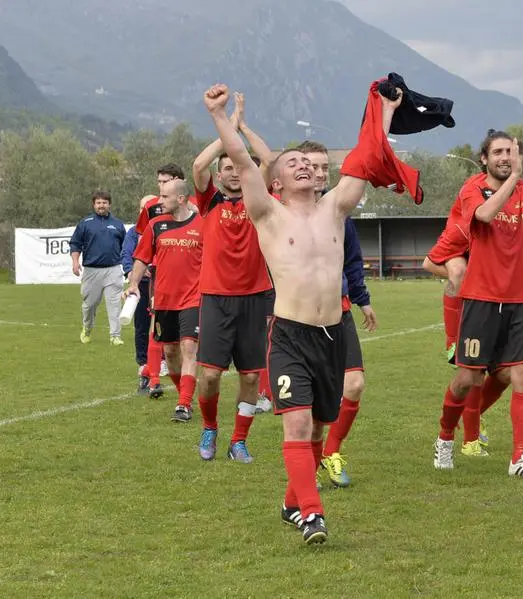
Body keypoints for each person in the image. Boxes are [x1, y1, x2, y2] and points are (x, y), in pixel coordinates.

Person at [204, 80, 404, 544]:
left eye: (308, 164)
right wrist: (218, 115)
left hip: (333, 335)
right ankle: (312, 514)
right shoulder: (268, 213)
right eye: (292, 162)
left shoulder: (335, 209)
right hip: (290, 334)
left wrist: (386, 111)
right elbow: (239, 160)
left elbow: (367, 154)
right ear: (275, 181)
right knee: (295, 421)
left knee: (316, 427)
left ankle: (292, 502)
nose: (304, 167)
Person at [429, 131, 523, 481]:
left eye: (511, 152)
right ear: (485, 158)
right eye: (498, 152)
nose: (505, 157)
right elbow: (483, 215)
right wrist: (513, 179)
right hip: (481, 299)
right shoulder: (473, 188)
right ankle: (446, 437)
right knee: (468, 377)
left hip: (521, 299)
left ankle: (520, 457)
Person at [191, 91, 275, 463]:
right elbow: (197, 164)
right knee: (208, 376)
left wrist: (242, 126)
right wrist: (227, 128)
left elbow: (269, 160)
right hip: (215, 297)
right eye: (226, 168)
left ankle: (238, 440)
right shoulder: (208, 200)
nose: (231, 173)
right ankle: (209, 428)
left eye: (237, 167)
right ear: (221, 173)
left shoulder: (260, 201)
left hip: (256, 297)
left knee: (252, 380)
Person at [294, 140, 378, 488]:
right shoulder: (283, 213)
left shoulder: (339, 213)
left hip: (338, 312)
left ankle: (332, 451)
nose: (319, 172)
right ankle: (308, 471)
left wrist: (362, 300)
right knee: (313, 411)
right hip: (299, 321)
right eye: (312, 166)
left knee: (355, 384)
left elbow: (353, 260)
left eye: (325, 167)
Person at [126, 179, 203, 422]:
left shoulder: (202, 225)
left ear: (180, 199)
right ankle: (185, 396)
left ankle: (184, 405)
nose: (159, 202)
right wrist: (133, 284)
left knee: (189, 347)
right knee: (170, 353)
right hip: (164, 301)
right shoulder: (155, 225)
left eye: (164, 197)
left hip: (194, 299)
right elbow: (141, 259)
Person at [70, 191, 126, 345]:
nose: (102, 205)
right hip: (92, 271)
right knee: (90, 305)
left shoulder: (118, 224)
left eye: (105, 202)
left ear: (109, 204)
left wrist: (128, 266)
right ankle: (87, 329)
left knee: (114, 303)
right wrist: (75, 262)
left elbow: (125, 247)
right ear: (94, 204)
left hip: (113, 269)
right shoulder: (85, 223)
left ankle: (115, 335)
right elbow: (75, 243)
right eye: (99, 203)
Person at [123, 195, 159, 394]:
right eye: (142, 208)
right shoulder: (133, 233)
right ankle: (144, 368)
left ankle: (159, 368)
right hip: (142, 286)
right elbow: (127, 255)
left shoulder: (165, 227)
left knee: (164, 329)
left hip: (163, 284)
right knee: (143, 326)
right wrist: (133, 272)